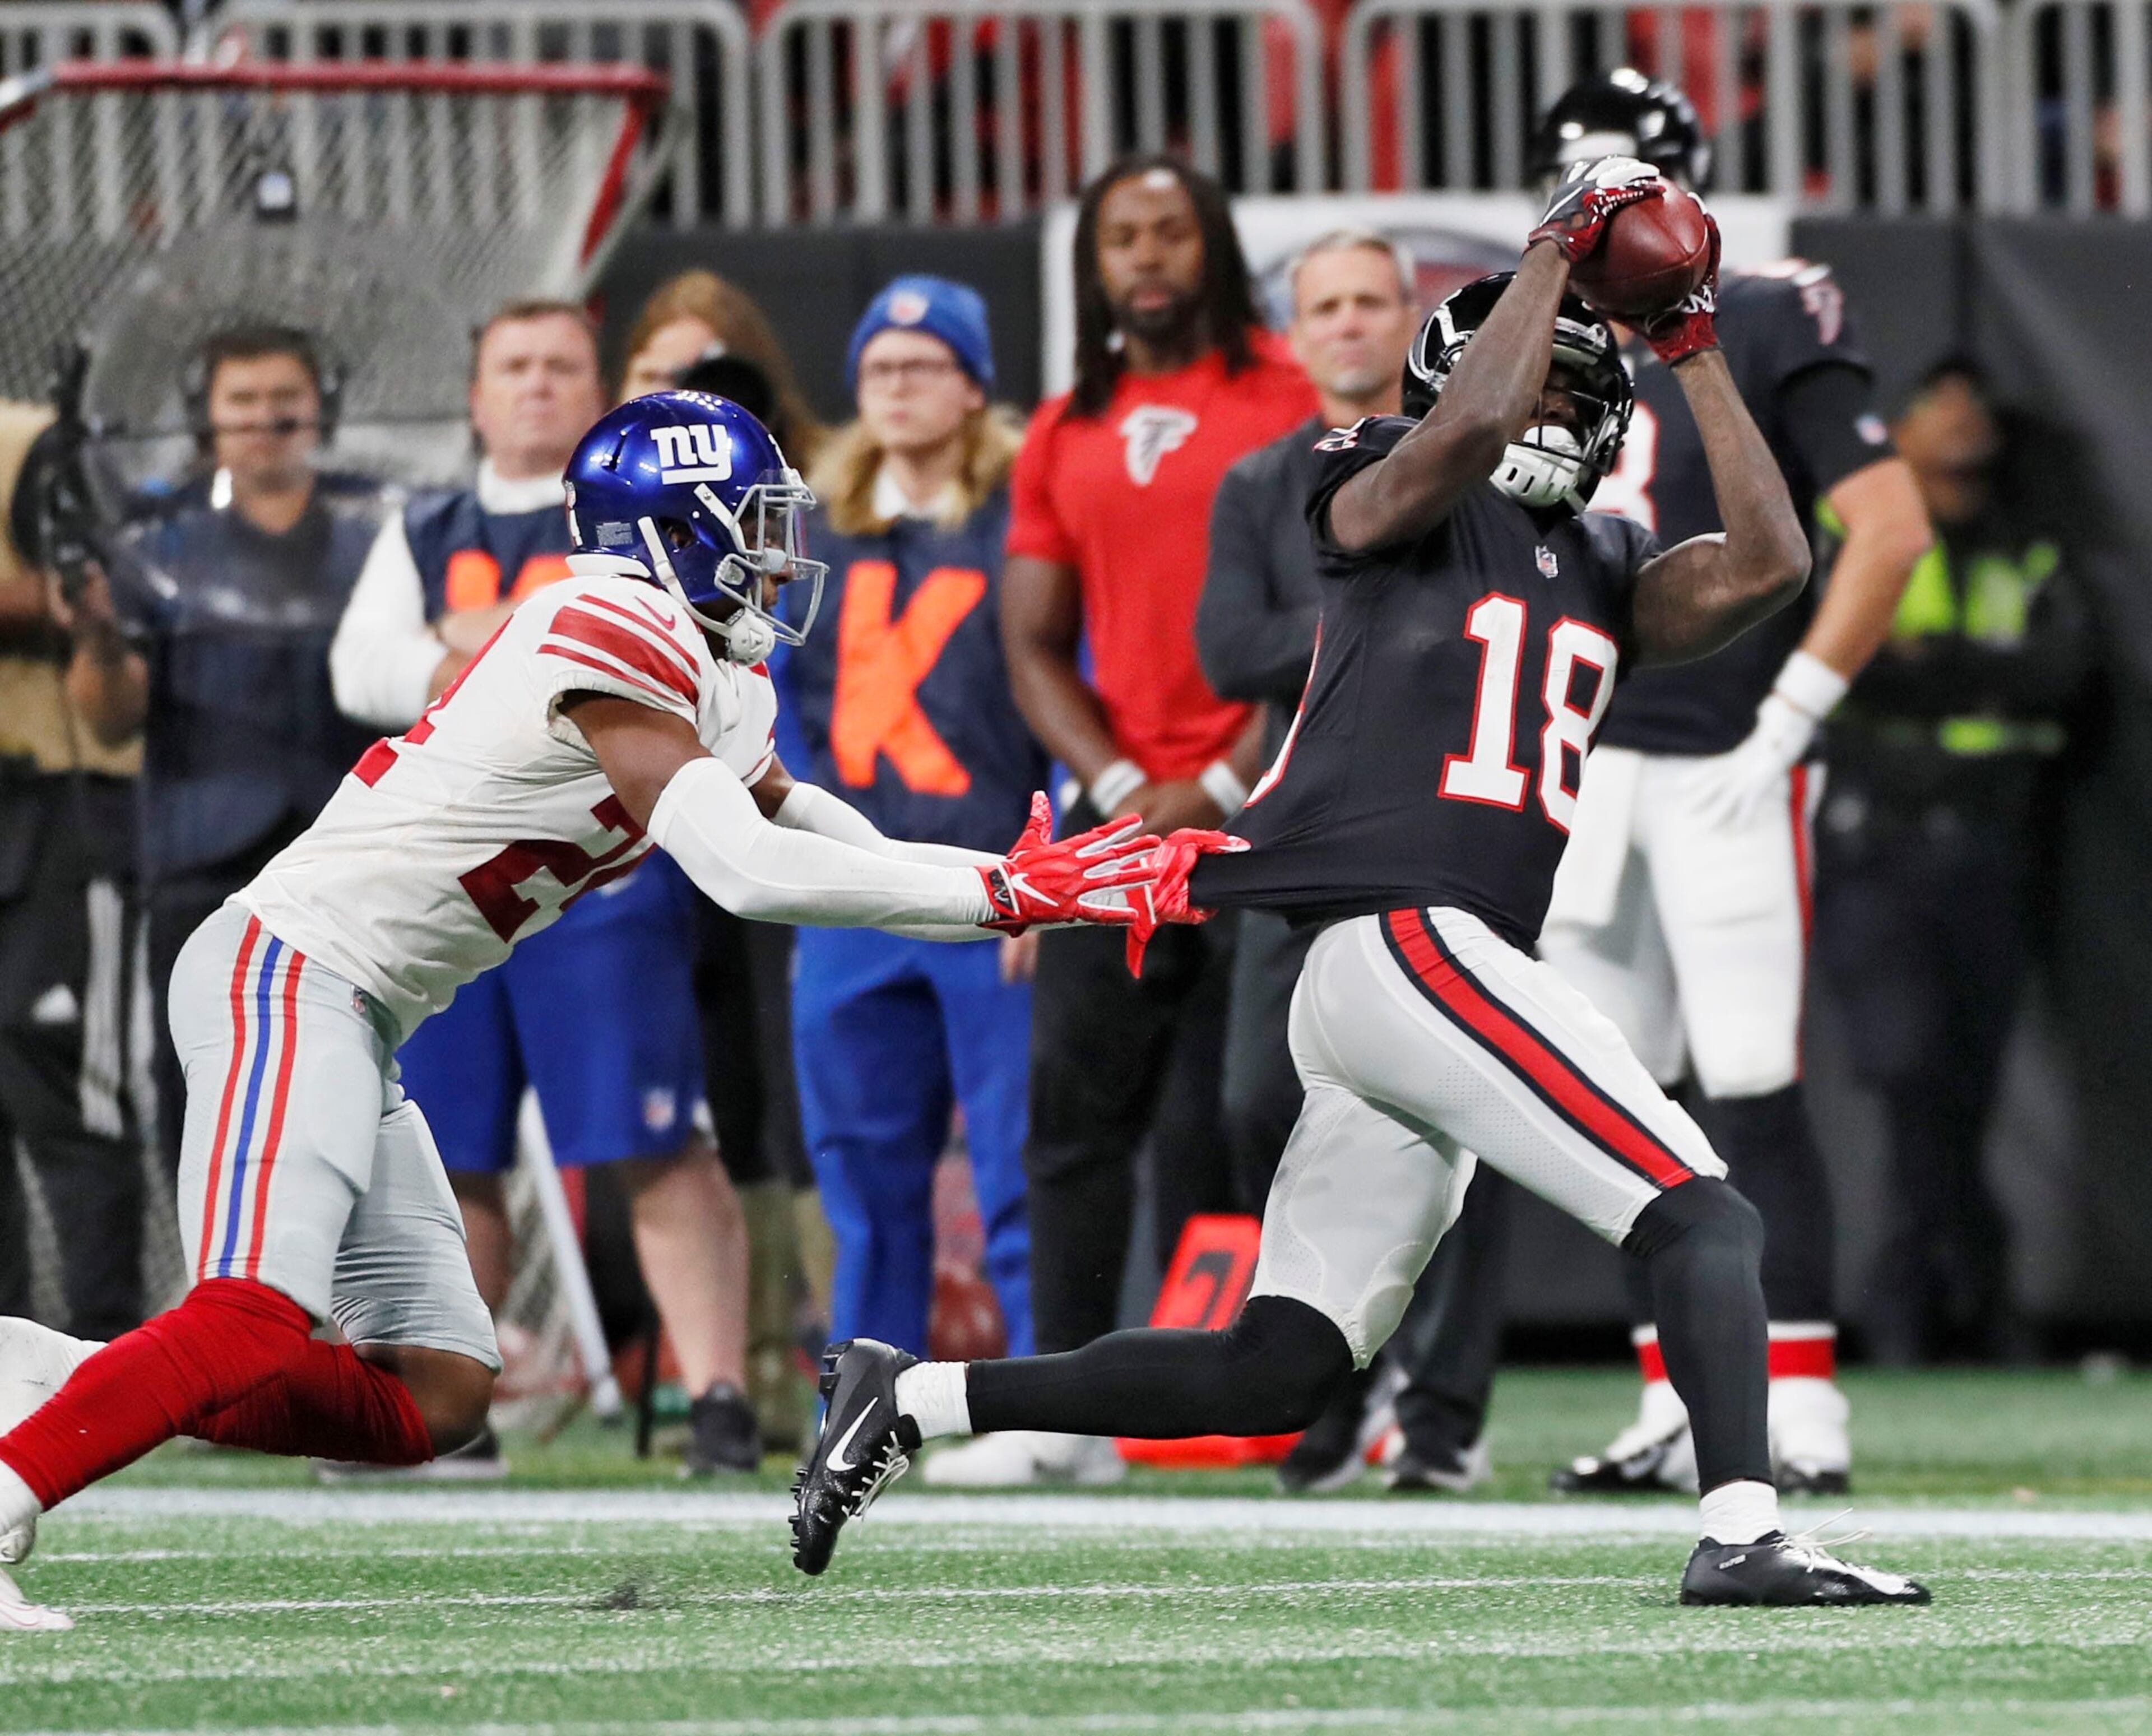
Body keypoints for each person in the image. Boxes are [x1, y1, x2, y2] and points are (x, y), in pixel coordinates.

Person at [793, 162, 1931, 1608]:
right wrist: (1552, 254)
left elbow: (1771, 559)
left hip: (1403, 972)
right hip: (1406, 937)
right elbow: (1463, 434)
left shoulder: (1605, 561)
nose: (1551, 409)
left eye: (1581, 394)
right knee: (1703, 1211)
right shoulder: (1375, 486)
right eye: (1534, 381)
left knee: (1276, 1366)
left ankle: (911, 1396)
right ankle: (1745, 1531)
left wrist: (1692, 343)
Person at [0, 391, 1163, 1633]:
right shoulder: (609, 620)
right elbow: (745, 871)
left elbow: (809, 825)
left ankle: (46, 1377)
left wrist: (1001, 884)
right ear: (675, 532)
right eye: (756, 520)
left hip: (361, 1009)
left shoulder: (713, 668)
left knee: (437, 1394)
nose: (780, 550)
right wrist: (996, 894)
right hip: (292, 971)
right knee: (247, 1319)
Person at [1480, 72, 1932, 1498]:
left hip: (1724, 756)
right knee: (1623, 1094)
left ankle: (1802, 1400)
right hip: (1586, 756)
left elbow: (1889, 527)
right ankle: (1675, 1396)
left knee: (1750, 1077)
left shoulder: (1774, 305)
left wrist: (1789, 720)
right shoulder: (1519, 322)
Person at [327, 302, 754, 1476]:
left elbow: (703, 657)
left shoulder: (648, 516)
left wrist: (483, 644)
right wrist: (517, 657)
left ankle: (720, 1395)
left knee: (653, 1138)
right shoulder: (424, 522)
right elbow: (359, 666)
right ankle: (447, 1408)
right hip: (460, 883)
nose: (537, 385)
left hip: (606, 881)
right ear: (475, 395)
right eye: (512, 365)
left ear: (601, 388)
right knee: (449, 1148)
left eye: (562, 365)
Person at [962, 154, 1318, 1488]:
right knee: (1070, 1122)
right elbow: (1031, 641)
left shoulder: (1293, 400)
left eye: (1173, 231)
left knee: (1246, 1116)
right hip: (1119, 825)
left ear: (1214, 246)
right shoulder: (1064, 427)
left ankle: (1270, 1411)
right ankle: (1062, 1421)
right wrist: (1118, 790)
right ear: (1093, 261)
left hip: (1267, 808)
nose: (1149, 256)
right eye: (1124, 236)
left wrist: (1217, 783)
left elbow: (1337, 624)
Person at [1198, 228, 1514, 1494]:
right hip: (1304, 827)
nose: (1346, 322)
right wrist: (1389, 616)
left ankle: (1441, 1413)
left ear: (1408, 317)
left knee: (1475, 1108)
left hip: (1446, 824)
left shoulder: (1475, 464)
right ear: (1292, 331)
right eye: (1322, 304)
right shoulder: (1259, 481)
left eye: (1369, 301)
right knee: (1257, 1101)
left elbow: (1488, 629)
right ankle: (1330, 1378)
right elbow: (1228, 651)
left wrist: (1337, 622)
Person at [774, 275, 1043, 1383]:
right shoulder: (809, 533)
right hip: (852, 892)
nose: (896, 386)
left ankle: (1046, 1400)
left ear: (974, 386)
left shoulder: (1025, 519)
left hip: (993, 886)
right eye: (879, 369)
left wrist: (1055, 873)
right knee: (864, 1177)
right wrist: (795, 851)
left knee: (1018, 1161)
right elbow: (767, 710)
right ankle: (863, 1409)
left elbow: (1068, 693)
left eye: (923, 365)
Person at [1816, 360, 2092, 1363]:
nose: (1968, 425)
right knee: (1905, 1069)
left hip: (1991, 844)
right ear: (1899, 428)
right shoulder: (1852, 527)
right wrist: (1978, 680)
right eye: (1945, 405)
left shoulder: (2028, 543)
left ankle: (1942, 1292)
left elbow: (2064, 673)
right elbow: (1839, 661)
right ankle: (1944, 1295)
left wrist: (1933, 665)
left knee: (1965, 1079)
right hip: (1875, 842)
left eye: (1981, 408)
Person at [61, 327, 381, 1176]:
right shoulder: (156, 547)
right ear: (205, 418)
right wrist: (97, 638)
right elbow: (112, 720)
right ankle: (218, 1258)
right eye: (242, 400)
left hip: (353, 860)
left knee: (365, 1093)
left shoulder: (378, 538)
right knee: (204, 1098)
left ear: (322, 411)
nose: (265, 418)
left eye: (285, 399)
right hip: (202, 864)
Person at [616, 275, 826, 1449]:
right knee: (729, 1101)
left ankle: (828, 1358)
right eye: (660, 385)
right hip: (662, 856)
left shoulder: (796, 516)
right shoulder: (610, 570)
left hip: (777, 822)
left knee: (800, 1103)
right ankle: (755, 1369)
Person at [0, 402, 145, 1343]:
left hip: (55, 795)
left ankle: (106, 1350)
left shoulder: (40, 438)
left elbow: (105, 584)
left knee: (63, 1085)